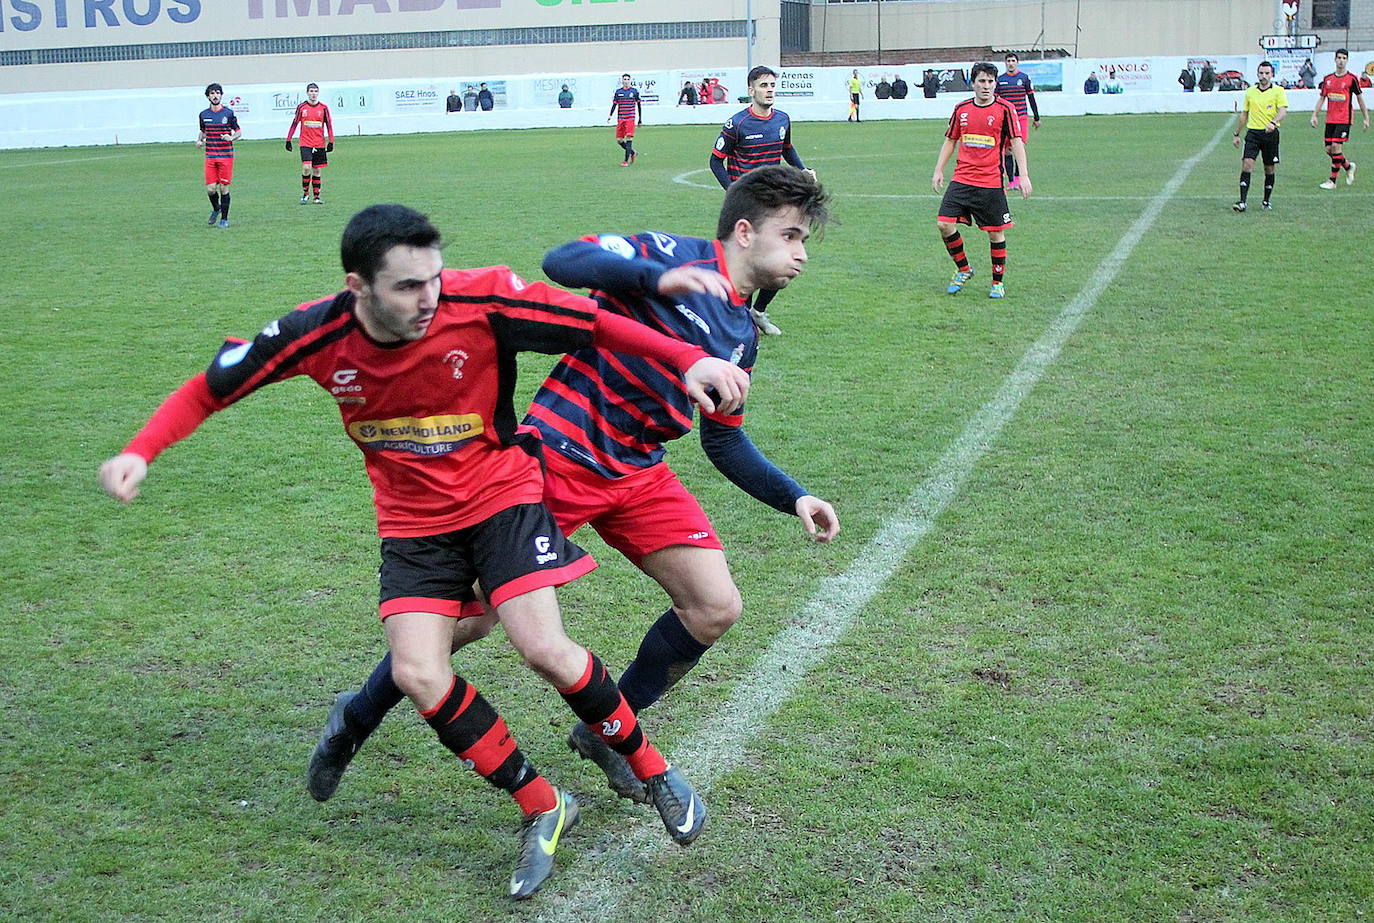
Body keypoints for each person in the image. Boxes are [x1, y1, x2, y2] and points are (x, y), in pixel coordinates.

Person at [98, 203, 750, 900]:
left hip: (503, 496)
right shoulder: (315, 334)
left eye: (434, 278)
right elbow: (212, 385)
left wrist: (689, 359)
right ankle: (541, 803)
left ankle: (655, 772)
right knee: (417, 671)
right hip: (414, 523)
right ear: (358, 287)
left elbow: (594, 321)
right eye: (408, 286)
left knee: (544, 647)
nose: (428, 297)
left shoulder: (483, 298)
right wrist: (141, 450)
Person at [305, 165, 839, 814]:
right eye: (791, 236)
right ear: (745, 231)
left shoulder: (738, 333)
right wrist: (653, 279)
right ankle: (356, 715)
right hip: (555, 461)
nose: (802, 254)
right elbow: (564, 260)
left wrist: (794, 495)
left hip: (639, 474)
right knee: (467, 621)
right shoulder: (665, 254)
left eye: (805, 239)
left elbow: (722, 440)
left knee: (715, 603)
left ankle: (604, 732)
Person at [710, 65, 814, 336]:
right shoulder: (738, 124)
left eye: (772, 86)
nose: (769, 91)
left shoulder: (782, 119)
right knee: (744, 262)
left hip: (775, 201)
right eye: (764, 86)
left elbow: (787, 149)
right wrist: (733, 191)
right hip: (745, 205)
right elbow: (715, 161)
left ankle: (758, 312)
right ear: (751, 90)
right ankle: (741, 319)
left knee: (780, 260)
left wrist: (802, 170)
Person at [932, 62, 1031, 299]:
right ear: (973, 83)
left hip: (991, 182)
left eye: (990, 82)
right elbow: (951, 140)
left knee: (995, 233)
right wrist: (939, 170)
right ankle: (964, 269)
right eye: (982, 81)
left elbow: (1016, 141)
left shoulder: (1005, 109)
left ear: (995, 84)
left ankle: (997, 283)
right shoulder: (961, 109)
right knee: (944, 224)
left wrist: (1023, 175)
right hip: (962, 179)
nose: (986, 86)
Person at [1232, 61, 1288, 211]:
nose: (1264, 76)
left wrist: (1274, 122)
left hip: (1270, 135)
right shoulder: (1250, 92)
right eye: (1261, 73)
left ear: (1272, 75)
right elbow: (1244, 114)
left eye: (1267, 73)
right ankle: (1242, 202)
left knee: (1269, 169)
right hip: (1253, 134)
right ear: (1257, 74)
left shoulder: (1278, 91)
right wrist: (1237, 133)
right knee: (1247, 164)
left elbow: (1283, 111)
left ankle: (1266, 201)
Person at [1312, 48, 1368, 189]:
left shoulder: (1352, 79)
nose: (1341, 61)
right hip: (1330, 119)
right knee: (1329, 150)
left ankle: (1332, 181)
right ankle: (1348, 166)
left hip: (1344, 118)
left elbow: (1360, 99)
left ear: (1347, 60)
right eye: (1339, 58)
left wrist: (1366, 117)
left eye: (1344, 58)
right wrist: (1314, 115)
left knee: (1336, 146)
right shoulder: (1328, 79)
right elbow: (1322, 98)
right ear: (1335, 59)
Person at [197, 83, 241, 230]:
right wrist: (199, 140)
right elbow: (203, 132)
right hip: (210, 156)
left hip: (226, 156)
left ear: (221, 95)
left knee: (224, 188)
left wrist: (231, 137)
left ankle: (224, 219)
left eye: (217, 93)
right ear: (208, 96)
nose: (215, 96)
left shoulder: (228, 113)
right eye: (212, 93)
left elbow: (238, 132)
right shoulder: (203, 115)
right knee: (210, 189)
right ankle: (217, 208)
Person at [995, 53, 1039, 190]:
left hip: (1021, 117)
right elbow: (995, 102)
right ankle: (1012, 180)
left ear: (1017, 63)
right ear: (1005, 63)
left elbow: (1031, 98)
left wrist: (1037, 117)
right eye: (1008, 61)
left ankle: (1020, 177)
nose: (1011, 63)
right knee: (1007, 150)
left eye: (1013, 61)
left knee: (1019, 146)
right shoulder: (1000, 80)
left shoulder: (1024, 78)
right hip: (1005, 118)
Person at [285, 82, 334, 205]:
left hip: (319, 143)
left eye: (315, 91)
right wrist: (288, 139)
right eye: (311, 91)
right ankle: (305, 193)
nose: (313, 94)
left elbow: (329, 125)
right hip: (305, 142)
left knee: (316, 170)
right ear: (307, 93)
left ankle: (316, 197)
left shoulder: (323, 108)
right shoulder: (302, 107)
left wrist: (331, 141)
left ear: (318, 93)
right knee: (306, 168)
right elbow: (295, 123)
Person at [608, 74, 643, 166]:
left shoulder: (634, 91)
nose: (626, 81)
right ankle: (633, 152)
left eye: (628, 79)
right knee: (619, 140)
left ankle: (626, 161)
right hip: (621, 118)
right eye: (625, 79)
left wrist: (640, 119)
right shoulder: (618, 92)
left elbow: (639, 105)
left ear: (630, 80)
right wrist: (610, 115)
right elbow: (615, 104)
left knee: (629, 138)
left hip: (630, 118)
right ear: (622, 81)